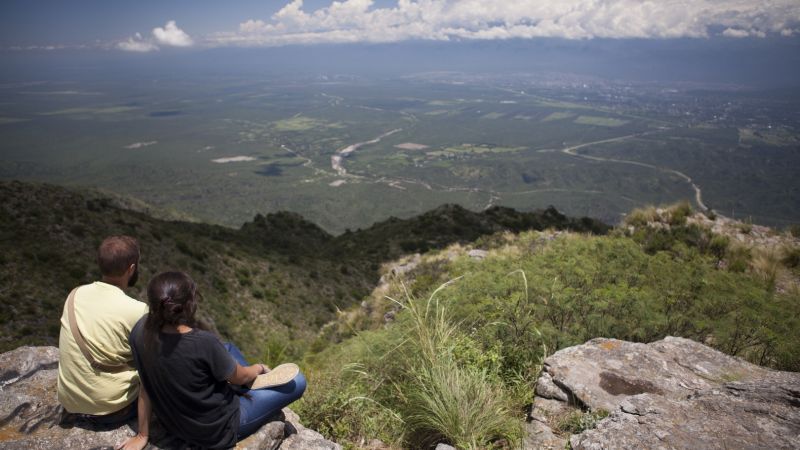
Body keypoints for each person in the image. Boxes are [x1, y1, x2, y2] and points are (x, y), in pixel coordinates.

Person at [119, 271, 306, 450]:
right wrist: (257, 368)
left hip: (174, 424)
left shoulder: (139, 330)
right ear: (189, 304)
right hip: (218, 428)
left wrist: (143, 435)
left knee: (228, 348)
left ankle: (243, 384)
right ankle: (249, 387)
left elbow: (145, 385)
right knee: (297, 382)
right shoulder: (203, 342)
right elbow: (239, 377)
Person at [57, 235, 148, 424]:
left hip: (70, 403)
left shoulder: (74, 295)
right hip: (113, 409)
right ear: (131, 269)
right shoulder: (137, 310)